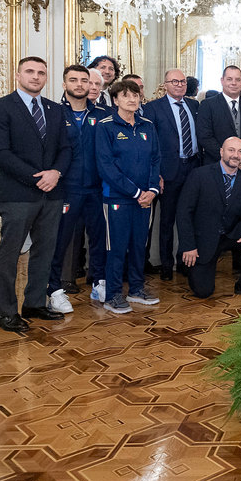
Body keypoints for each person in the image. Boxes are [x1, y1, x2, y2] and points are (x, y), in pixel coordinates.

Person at [0, 57, 73, 333]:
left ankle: (34, 303)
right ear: (18, 74)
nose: (36, 77)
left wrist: (56, 172)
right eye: (30, 72)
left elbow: (66, 149)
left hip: (52, 192)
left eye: (41, 73)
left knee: (45, 251)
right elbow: (0, 153)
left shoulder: (55, 110)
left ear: (46, 77)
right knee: (9, 256)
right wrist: (39, 177)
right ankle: (7, 313)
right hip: (17, 194)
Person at [95, 79, 161, 315]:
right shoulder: (105, 126)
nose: (132, 99)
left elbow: (155, 160)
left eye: (135, 95)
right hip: (117, 199)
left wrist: (152, 190)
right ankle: (113, 295)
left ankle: (136, 289)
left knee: (138, 246)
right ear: (115, 100)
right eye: (126, 95)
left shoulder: (147, 126)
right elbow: (106, 167)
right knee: (117, 247)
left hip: (145, 200)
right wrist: (135, 192)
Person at [176, 136, 241, 299]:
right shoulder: (199, 175)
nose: (236, 155)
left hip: (231, 233)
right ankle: (190, 266)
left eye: (240, 151)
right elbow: (184, 212)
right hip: (204, 239)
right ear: (221, 152)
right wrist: (188, 245)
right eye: (231, 150)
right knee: (203, 292)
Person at [47, 66, 107, 312]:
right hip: (66, 189)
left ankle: (100, 282)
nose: (81, 84)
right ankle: (54, 290)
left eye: (85, 80)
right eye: (74, 80)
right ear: (64, 85)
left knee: (100, 239)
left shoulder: (104, 114)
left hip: (97, 188)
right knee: (59, 241)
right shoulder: (54, 114)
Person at [144, 69, 201, 281]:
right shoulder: (153, 108)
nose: (179, 85)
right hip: (168, 171)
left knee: (190, 218)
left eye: (183, 81)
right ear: (165, 84)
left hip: (193, 168)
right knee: (167, 220)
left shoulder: (195, 106)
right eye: (174, 81)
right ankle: (166, 266)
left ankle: (185, 262)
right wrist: (156, 173)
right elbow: (150, 143)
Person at [195, 65, 241, 168]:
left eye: (237, 79)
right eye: (229, 79)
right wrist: (228, 159)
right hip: (216, 166)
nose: (233, 83)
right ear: (222, 81)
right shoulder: (207, 105)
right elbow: (204, 136)